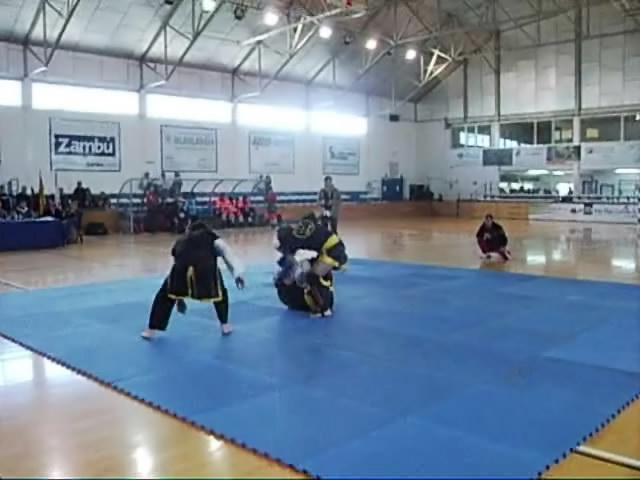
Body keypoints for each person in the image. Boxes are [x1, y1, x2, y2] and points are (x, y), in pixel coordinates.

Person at [141, 221, 245, 339]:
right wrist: (238, 274)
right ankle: (225, 325)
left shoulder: (180, 241)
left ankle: (150, 330)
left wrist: (178, 297)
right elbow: (228, 254)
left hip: (179, 274)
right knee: (220, 292)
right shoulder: (212, 237)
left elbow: (174, 265)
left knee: (164, 296)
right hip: (204, 273)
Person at [275, 213, 347, 315]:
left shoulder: (293, 242)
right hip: (331, 249)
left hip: (333, 251)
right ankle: (320, 303)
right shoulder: (300, 235)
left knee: (312, 276)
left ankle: (323, 308)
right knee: (309, 272)